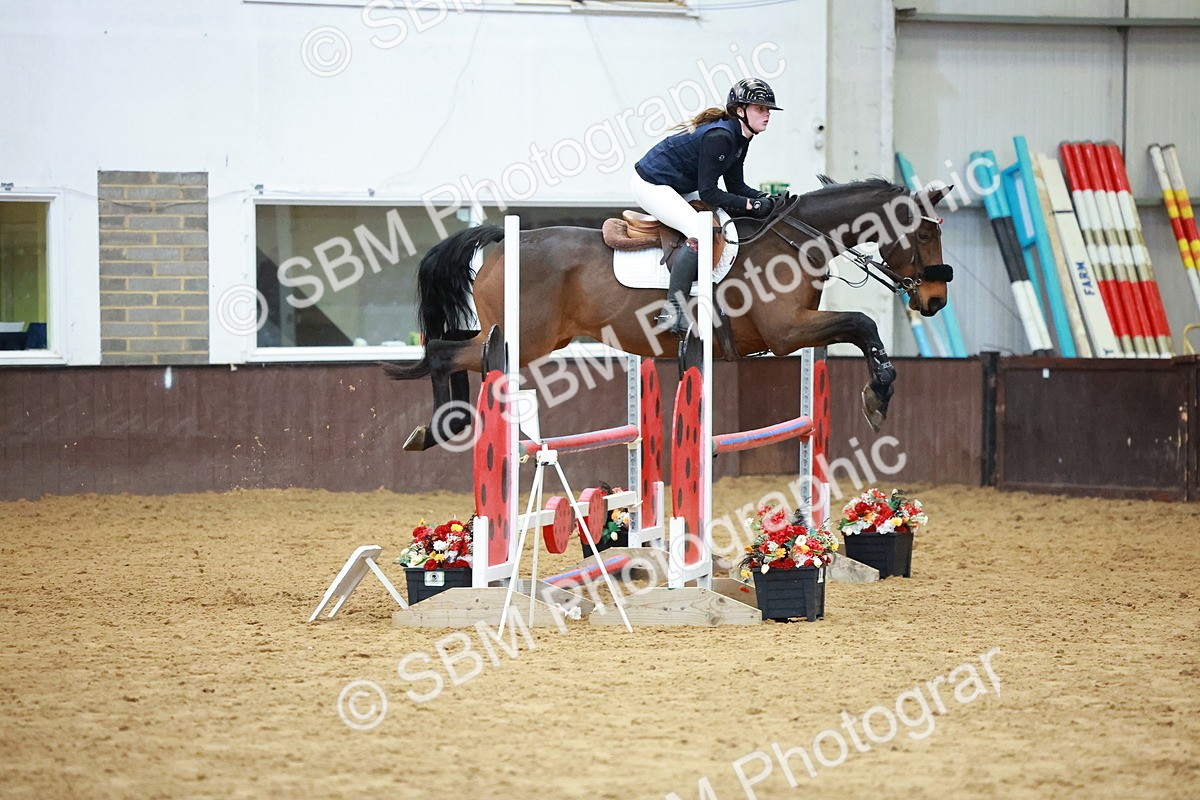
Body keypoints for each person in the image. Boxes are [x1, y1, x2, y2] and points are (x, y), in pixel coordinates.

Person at [631, 77, 782, 334]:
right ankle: (672, 310)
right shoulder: (721, 137)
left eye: (768, 110)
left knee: (722, 223)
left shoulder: (740, 138)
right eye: (760, 108)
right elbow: (710, 193)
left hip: (677, 187)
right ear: (740, 110)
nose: (767, 114)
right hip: (651, 184)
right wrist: (752, 206)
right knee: (700, 232)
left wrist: (763, 198)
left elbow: (736, 188)